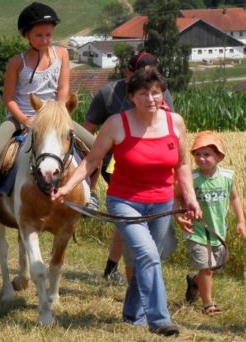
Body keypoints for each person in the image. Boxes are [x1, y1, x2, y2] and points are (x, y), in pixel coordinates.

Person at [52, 67, 201, 337]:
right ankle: (159, 319)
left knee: (148, 259)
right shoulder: (116, 124)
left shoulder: (175, 123)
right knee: (148, 256)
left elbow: (181, 164)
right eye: (143, 93)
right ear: (132, 96)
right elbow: (91, 161)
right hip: (125, 202)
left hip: (162, 202)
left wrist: (189, 197)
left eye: (156, 92)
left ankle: (133, 315)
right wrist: (67, 187)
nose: (151, 98)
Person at [0, 2, 96, 223]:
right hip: (22, 117)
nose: (45, 40)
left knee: (95, 148)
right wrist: (25, 119)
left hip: (55, 117)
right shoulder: (17, 62)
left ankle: (91, 196)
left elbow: (63, 90)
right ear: (27, 36)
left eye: (48, 34)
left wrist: (56, 116)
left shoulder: (62, 54)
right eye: (39, 36)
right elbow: (8, 98)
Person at [83, 51, 175, 286]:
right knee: (132, 213)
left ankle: (117, 268)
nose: (147, 85)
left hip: (151, 163)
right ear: (127, 73)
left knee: (132, 219)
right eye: (139, 75)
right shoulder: (109, 93)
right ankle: (135, 272)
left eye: (150, 76)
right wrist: (87, 168)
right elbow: (87, 130)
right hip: (116, 162)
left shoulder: (162, 95)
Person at [175, 131, 246, 316]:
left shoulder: (227, 177)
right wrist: (178, 216)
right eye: (197, 154)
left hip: (218, 231)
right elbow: (175, 196)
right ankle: (208, 304)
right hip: (197, 231)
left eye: (207, 154)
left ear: (219, 157)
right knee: (206, 267)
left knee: (214, 267)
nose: (201, 158)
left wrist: (241, 221)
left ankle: (195, 282)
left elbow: (235, 198)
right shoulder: (191, 179)